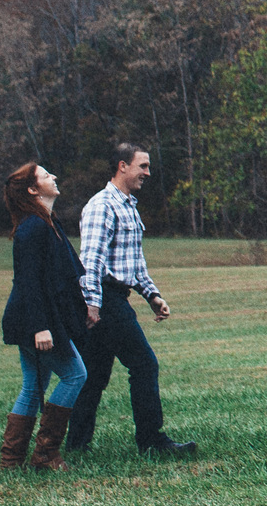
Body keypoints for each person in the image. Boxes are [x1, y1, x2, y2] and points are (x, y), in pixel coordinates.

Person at [68, 141, 196, 460]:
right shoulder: (102, 206)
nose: (148, 173)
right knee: (143, 364)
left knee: (93, 377)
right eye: (143, 166)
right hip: (106, 300)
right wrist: (93, 305)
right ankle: (151, 441)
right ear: (122, 166)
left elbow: (134, 263)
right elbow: (92, 260)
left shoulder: (128, 205)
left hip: (113, 297)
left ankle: (75, 446)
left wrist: (152, 295)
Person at [0, 162, 90, 471]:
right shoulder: (33, 227)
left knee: (33, 386)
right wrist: (40, 328)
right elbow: (28, 282)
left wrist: (84, 308)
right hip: (33, 321)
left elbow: (65, 276)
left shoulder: (48, 222)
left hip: (40, 318)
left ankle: (11, 461)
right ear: (33, 189)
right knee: (75, 375)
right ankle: (45, 454)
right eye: (46, 174)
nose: (54, 176)